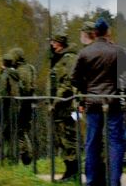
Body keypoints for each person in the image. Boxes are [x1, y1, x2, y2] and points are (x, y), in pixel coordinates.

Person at [72, 16, 126, 186]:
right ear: (108, 32)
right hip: (113, 101)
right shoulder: (117, 51)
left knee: (92, 142)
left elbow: (74, 78)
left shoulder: (85, 53)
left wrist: (86, 91)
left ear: (94, 33)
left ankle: (92, 180)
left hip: (92, 102)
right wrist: (123, 86)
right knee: (116, 141)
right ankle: (114, 181)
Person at [47, 31, 79, 181]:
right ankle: (69, 170)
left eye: (53, 42)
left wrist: (55, 101)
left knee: (68, 139)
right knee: (62, 139)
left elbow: (67, 82)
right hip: (60, 107)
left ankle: (73, 171)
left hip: (66, 106)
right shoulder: (60, 59)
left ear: (59, 43)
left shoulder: (69, 58)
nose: (51, 45)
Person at [9, 46, 36, 165]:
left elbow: (25, 88)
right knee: (22, 131)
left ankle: (26, 156)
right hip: (27, 104)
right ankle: (26, 156)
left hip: (23, 104)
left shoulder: (22, 70)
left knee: (21, 131)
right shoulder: (29, 68)